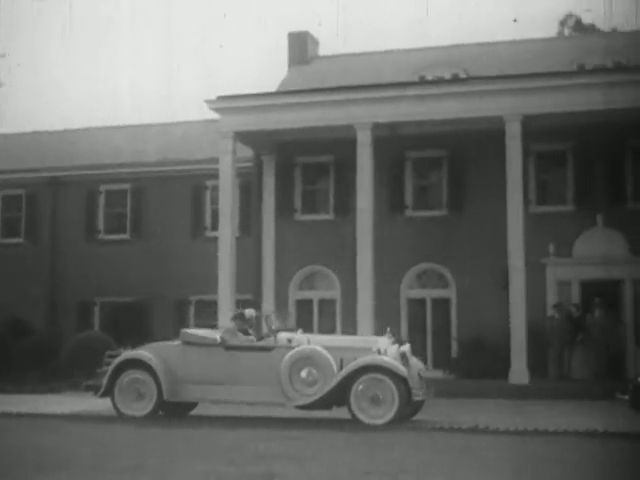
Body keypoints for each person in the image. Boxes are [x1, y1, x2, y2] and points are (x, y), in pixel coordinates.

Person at [546, 302, 573, 380]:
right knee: (555, 359)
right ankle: (556, 375)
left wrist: (566, 338)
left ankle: (561, 375)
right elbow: (549, 331)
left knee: (561, 359)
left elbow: (568, 329)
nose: (557, 310)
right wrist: (550, 340)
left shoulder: (564, 319)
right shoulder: (551, 319)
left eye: (558, 309)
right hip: (554, 342)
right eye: (555, 309)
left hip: (562, 341)